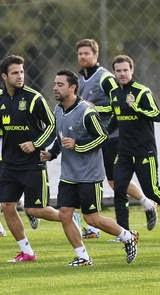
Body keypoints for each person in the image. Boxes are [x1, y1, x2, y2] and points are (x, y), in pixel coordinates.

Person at [41, 70, 138, 266]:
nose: (55, 88)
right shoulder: (58, 110)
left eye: (60, 84)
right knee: (65, 214)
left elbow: (102, 137)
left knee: (92, 219)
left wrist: (79, 145)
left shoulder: (86, 111)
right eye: (54, 84)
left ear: (73, 88)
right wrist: (52, 153)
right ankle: (83, 256)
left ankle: (127, 236)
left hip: (89, 175)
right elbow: (61, 138)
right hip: (68, 175)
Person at [75, 39, 157, 238]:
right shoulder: (80, 79)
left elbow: (116, 105)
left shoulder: (105, 77)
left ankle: (146, 203)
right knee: (93, 178)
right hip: (94, 136)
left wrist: (94, 108)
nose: (83, 57)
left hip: (111, 137)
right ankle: (95, 225)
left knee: (112, 182)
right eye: (80, 54)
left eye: (87, 53)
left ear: (96, 54)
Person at [109, 54, 160, 235]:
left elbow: (156, 115)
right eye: (118, 71)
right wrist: (102, 135)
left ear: (132, 70)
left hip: (144, 150)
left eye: (125, 70)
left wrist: (136, 107)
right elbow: (116, 119)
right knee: (119, 190)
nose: (122, 74)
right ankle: (125, 233)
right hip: (124, 151)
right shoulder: (114, 94)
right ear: (114, 72)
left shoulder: (141, 91)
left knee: (151, 190)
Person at [0, 55, 60, 262]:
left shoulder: (34, 98)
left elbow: (53, 126)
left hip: (32, 164)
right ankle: (27, 251)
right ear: (4, 76)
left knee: (35, 209)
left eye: (21, 72)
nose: (20, 76)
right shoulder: (0, 99)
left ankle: (70, 218)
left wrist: (36, 144)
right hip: (8, 164)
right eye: (15, 73)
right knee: (7, 206)